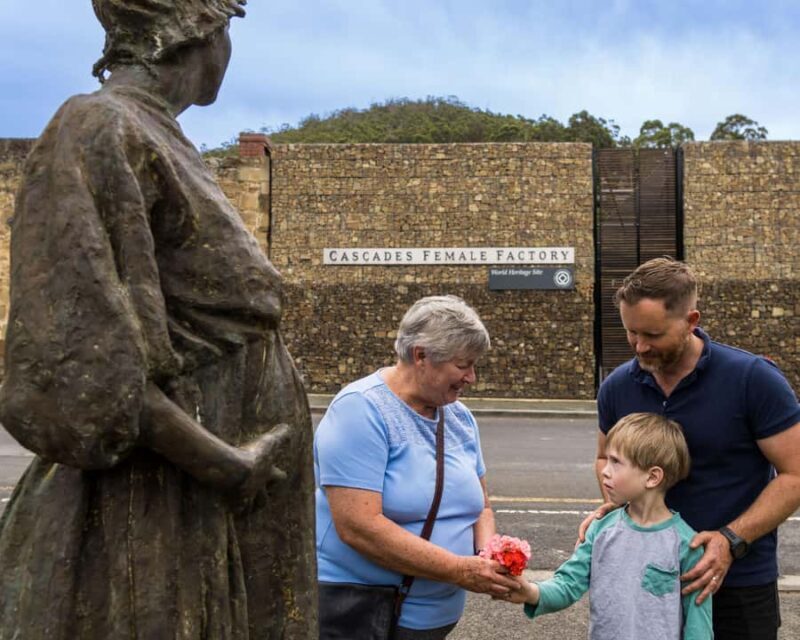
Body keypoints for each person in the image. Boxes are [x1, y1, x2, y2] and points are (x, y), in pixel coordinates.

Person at [0, 1, 316, 638]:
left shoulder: (163, 136)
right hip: (161, 501)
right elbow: (80, 357)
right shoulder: (95, 126)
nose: (229, 48)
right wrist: (220, 462)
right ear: (196, 32)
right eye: (229, 28)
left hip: (221, 496)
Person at [583, 257, 800, 640]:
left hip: (738, 582)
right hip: (649, 578)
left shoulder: (753, 380)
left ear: (691, 320)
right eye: (631, 332)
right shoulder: (617, 387)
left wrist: (730, 540)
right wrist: (618, 507)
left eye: (652, 334)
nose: (640, 346)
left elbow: (795, 475)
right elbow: (605, 456)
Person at [315, 295, 520, 640]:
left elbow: (481, 505)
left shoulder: (459, 417)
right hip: (364, 612)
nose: (471, 377)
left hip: (433, 618)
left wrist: (490, 556)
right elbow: (358, 526)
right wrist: (458, 570)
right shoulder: (360, 410)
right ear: (421, 355)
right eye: (462, 365)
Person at [505, 413, 712, 639]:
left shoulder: (686, 544)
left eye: (616, 462)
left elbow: (698, 625)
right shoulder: (601, 529)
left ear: (652, 477)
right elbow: (567, 585)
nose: (605, 470)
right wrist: (530, 592)